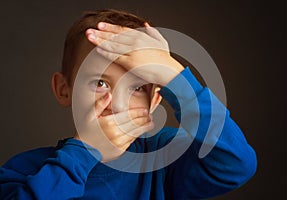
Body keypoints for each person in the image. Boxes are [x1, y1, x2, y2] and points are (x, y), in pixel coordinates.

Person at [0, 9, 257, 199]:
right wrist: (84, 152)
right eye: (100, 83)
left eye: (137, 87)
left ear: (155, 101)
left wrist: (172, 75)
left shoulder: (164, 160)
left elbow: (235, 163)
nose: (118, 103)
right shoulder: (25, 171)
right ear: (63, 90)